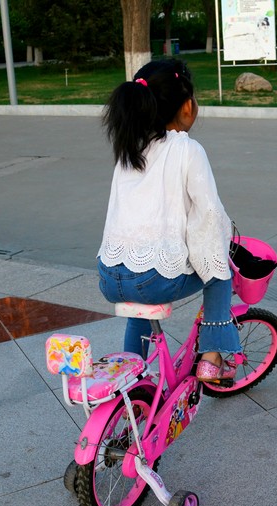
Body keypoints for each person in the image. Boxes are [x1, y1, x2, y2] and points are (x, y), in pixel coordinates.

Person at [96, 58, 241, 384]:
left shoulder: (130, 147)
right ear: (187, 106)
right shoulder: (187, 149)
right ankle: (211, 356)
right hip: (154, 279)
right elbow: (208, 215)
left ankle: (132, 372)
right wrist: (220, 247)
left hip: (110, 275)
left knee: (139, 304)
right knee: (219, 272)